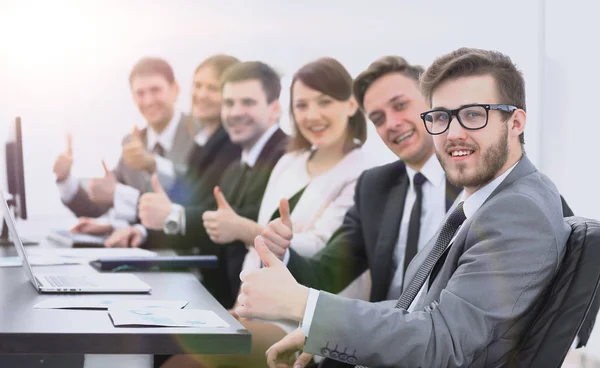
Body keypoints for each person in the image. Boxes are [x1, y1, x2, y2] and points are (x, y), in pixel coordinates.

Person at [235, 47, 572, 368]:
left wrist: (304, 305)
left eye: (473, 115)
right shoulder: (484, 194)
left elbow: (444, 342)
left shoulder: (516, 209)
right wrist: (318, 328)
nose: (454, 133)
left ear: (515, 123)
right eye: (441, 117)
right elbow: (418, 307)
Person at [170, 57, 378, 368]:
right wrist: (240, 308)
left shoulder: (364, 173)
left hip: (310, 321)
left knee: (183, 362)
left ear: (351, 105)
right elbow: (259, 251)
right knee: (169, 341)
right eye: (302, 105)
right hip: (259, 308)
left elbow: (323, 252)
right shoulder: (289, 161)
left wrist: (257, 233)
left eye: (325, 102)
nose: (312, 115)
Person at [108, 61, 288, 308]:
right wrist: (144, 231)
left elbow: (251, 223)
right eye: (229, 103)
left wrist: (171, 216)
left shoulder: (282, 156)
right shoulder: (239, 162)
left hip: (244, 303)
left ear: (274, 109)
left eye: (247, 103)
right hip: (227, 298)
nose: (234, 112)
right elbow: (207, 213)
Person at [104, 54, 242, 249]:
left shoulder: (216, 141)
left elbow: (195, 206)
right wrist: (140, 231)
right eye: (198, 85)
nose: (201, 95)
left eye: (212, 88)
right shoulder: (205, 144)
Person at [55, 57, 197, 233]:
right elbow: (95, 209)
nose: (148, 100)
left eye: (155, 90)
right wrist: (65, 179)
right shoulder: (132, 143)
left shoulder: (198, 134)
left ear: (175, 90)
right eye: (140, 93)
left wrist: (119, 194)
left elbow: (190, 201)